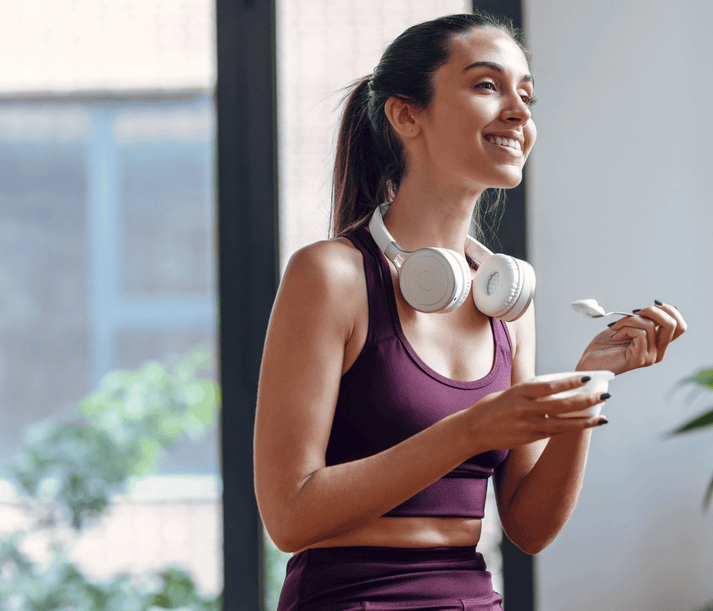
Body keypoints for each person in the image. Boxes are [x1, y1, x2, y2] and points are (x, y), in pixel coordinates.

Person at [254, 13, 687, 611]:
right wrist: (470, 431)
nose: (518, 111)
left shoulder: (505, 300)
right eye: (487, 85)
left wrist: (594, 378)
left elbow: (530, 528)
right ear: (407, 115)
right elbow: (289, 516)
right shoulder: (331, 276)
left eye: (526, 95)